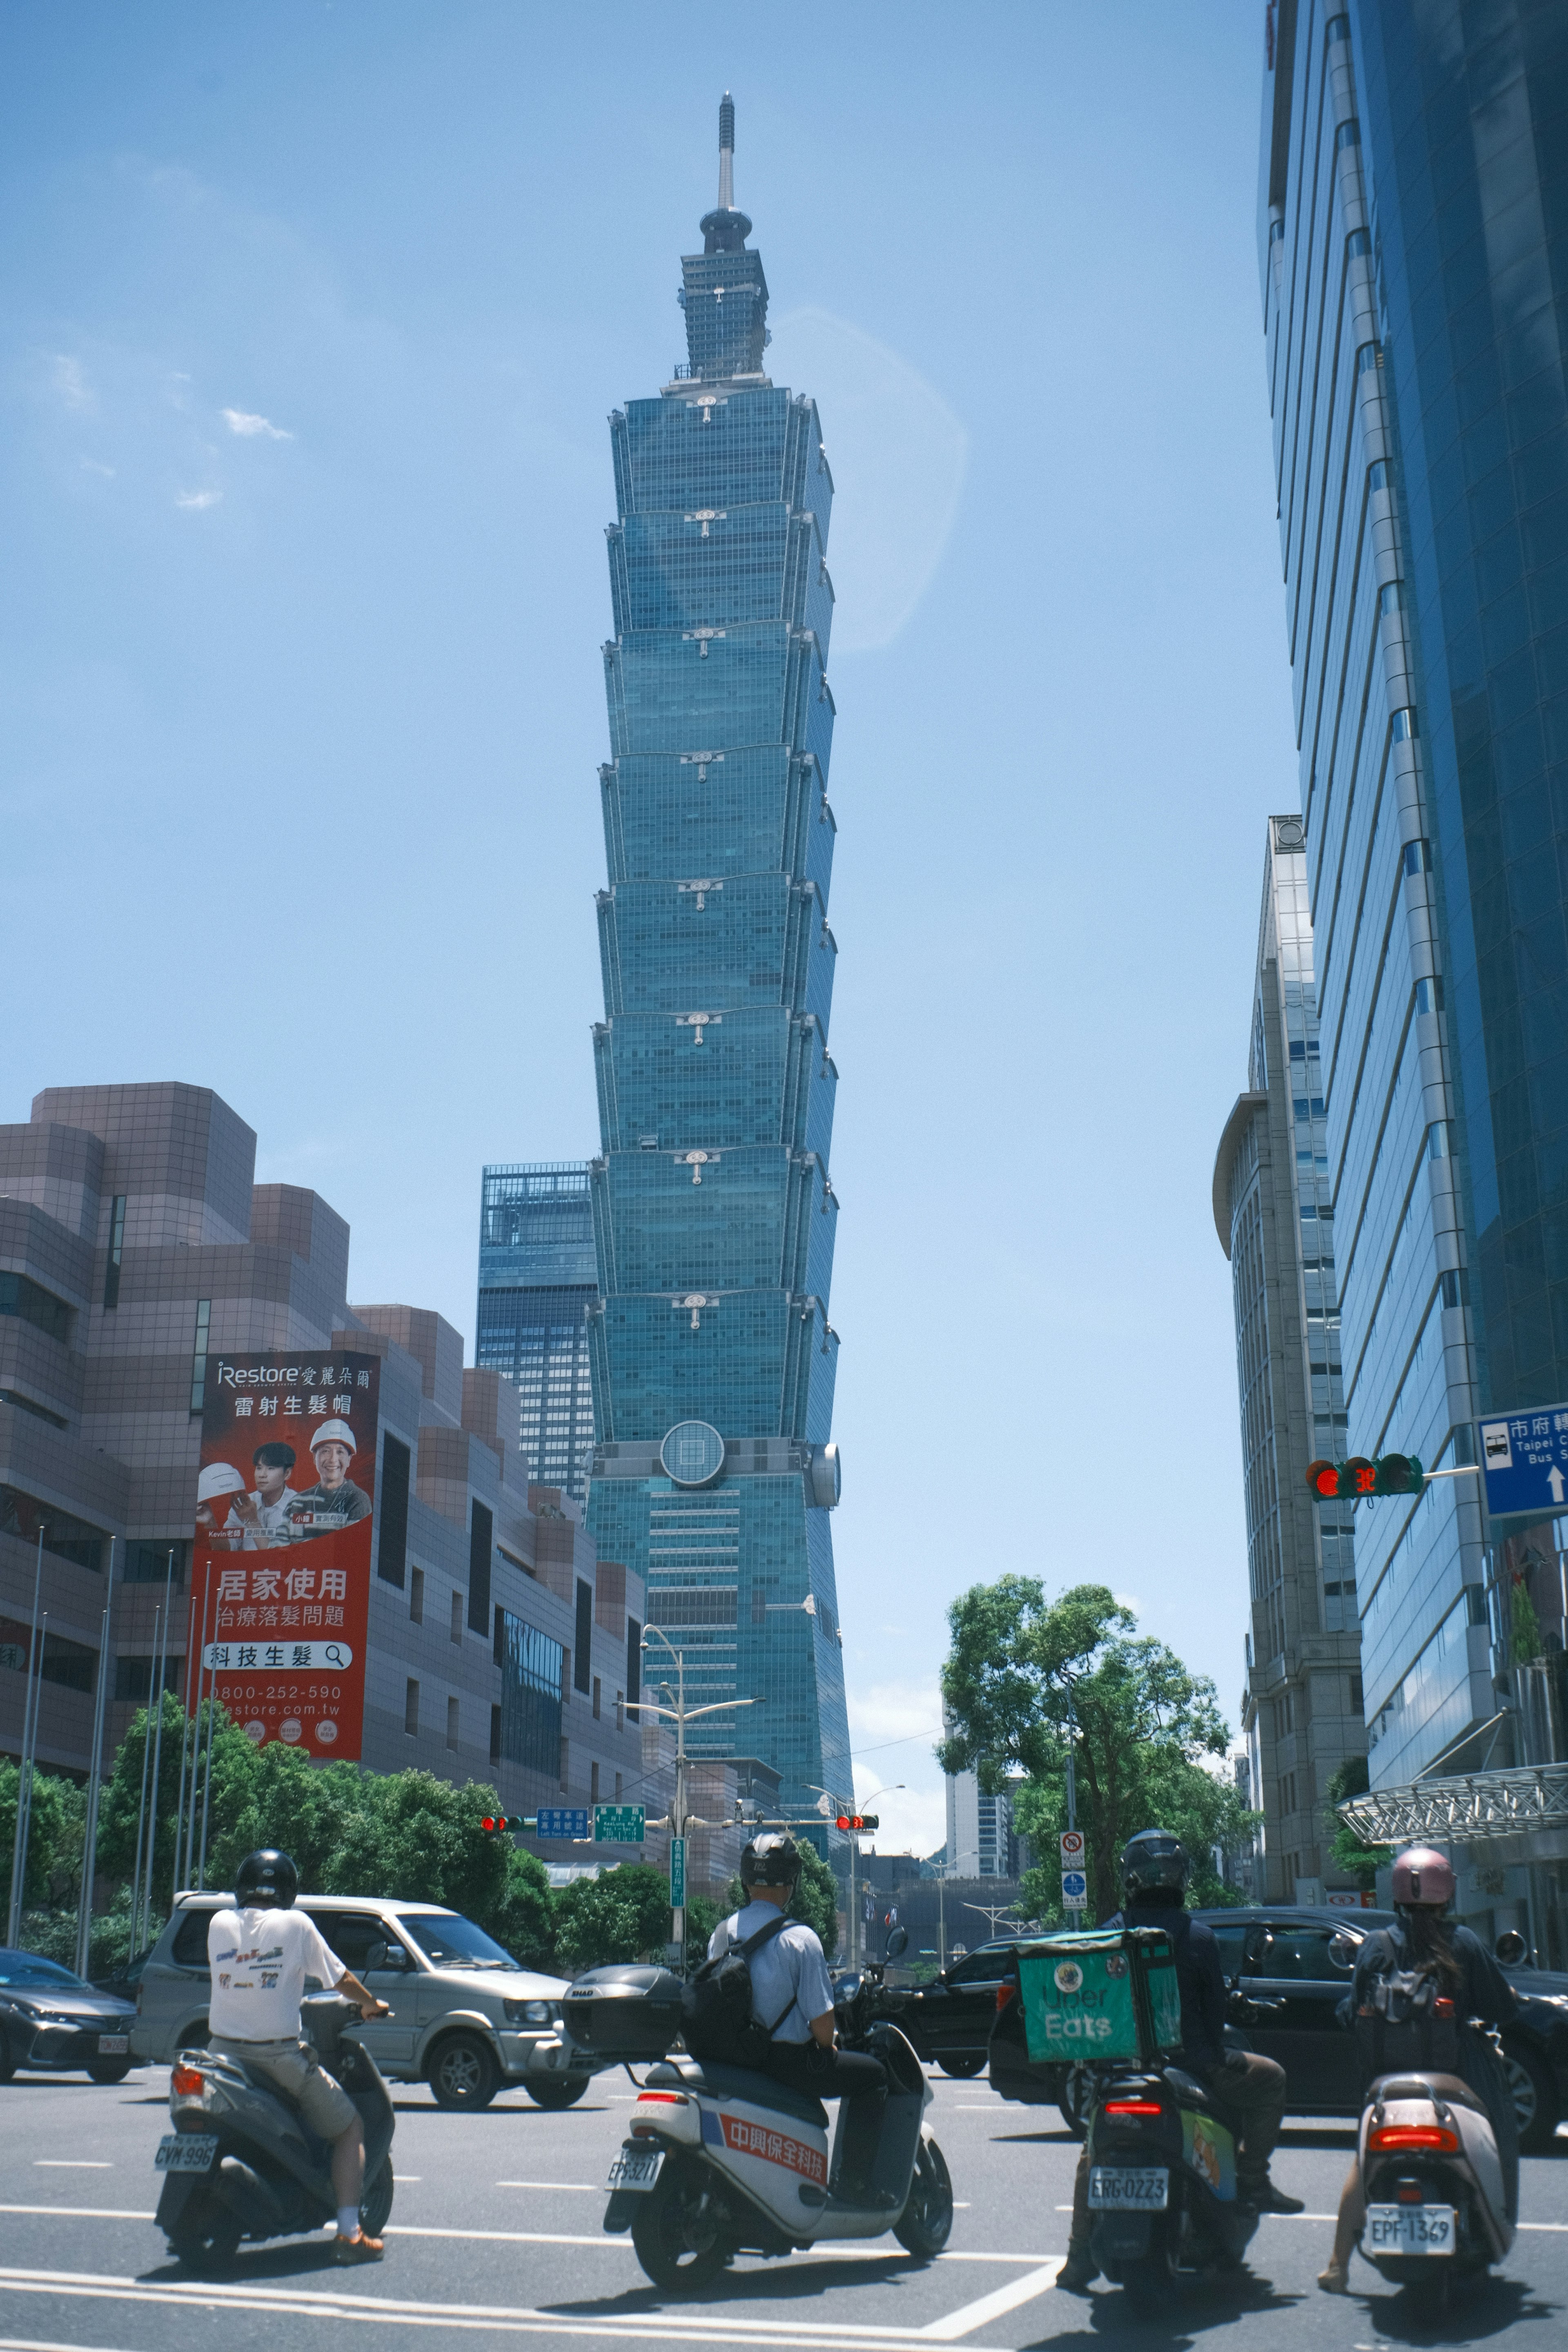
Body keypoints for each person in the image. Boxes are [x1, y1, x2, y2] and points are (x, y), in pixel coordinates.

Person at [1058, 1829, 1303, 2294]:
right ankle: (1253, 2179)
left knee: (1094, 2147)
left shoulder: (1108, 1935)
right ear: (1181, 1878)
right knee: (1271, 2079)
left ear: (1129, 1880)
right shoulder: (1200, 1938)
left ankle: (1077, 2255)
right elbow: (1214, 2017)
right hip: (1194, 2068)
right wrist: (1209, 2052)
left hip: (1123, 2072)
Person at [1318, 1844, 1519, 2294]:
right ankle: (1495, 2229)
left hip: (1387, 2084)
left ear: (1396, 1895)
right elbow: (1501, 2008)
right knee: (1497, 2133)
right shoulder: (1464, 1943)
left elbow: (1352, 2011)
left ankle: (1337, 2266)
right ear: (1446, 1893)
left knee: (1365, 2158)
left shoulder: (1376, 1945)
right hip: (1457, 2078)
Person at [207, 1847, 392, 2261]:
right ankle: (349, 2234)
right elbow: (338, 1976)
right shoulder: (296, 1925)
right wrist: (370, 2004)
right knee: (349, 2129)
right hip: (275, 2059)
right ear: (287, 1890)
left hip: (219, 2056)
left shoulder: (218, 1922)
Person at [707, 1832, 893, 2206]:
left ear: (745, 1882)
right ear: (791, 1883)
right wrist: (831, 2042)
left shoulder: (722, 1934)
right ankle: (853, 2185)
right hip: (787, 2066)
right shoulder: (801, 1940)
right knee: (873, 2077)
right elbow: (823, 2032)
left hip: (736, 2061)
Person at [286, 1421, 371, 1540]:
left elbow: (354, 1549)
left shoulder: (358, 1500)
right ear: (315, 1458)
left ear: (349, 1459)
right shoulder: (297, 1502)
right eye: (326, 1451)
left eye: (340, 1452)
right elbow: (280, 1549)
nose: (333, 1460)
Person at [229, 1441, 301, 1548]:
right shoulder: (244, 1503)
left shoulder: (300, 1506)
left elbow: (279, 1560)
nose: (262, 1475)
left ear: (287, 1474)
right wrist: (210, 1523)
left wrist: (252, 1522)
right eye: (259, 1468)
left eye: (271, 1468)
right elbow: (224, 1550)